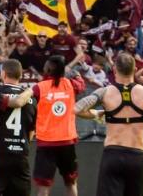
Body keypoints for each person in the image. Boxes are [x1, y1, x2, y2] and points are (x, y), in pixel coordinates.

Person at [75, 53, 143, 196]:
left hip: (112, 155)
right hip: (136, 156)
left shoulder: (105, 92)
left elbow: (77, 109)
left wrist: (98, 114)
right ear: (135, 69)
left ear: (114, 69)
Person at [30, 54, 86, 196]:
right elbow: (82, 84)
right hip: (67, 142)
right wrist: (76, 73)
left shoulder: (39, 87)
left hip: (46, 144)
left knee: (43, 187)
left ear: (48, 69)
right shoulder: (71, 84)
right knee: (71, 183)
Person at [0, 59, 36, 196]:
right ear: (20, 75)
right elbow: (32, 131)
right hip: (21, 155)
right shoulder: (31, 99)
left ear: (3, 73)